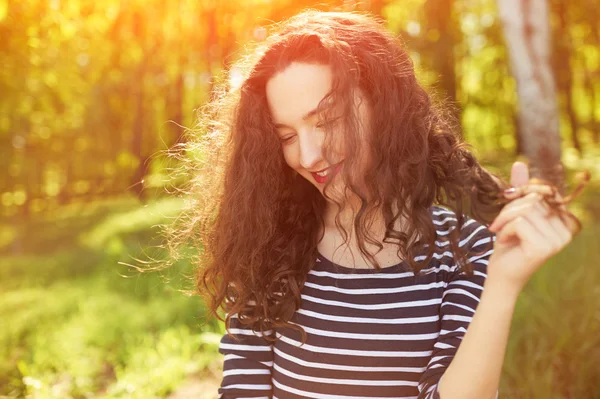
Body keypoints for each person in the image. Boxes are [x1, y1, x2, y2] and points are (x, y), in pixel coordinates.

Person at [179, 10, 582, 399]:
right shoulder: (267, 242)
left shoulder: (464, 249)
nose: (309, 155)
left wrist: (504, 283)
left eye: (327, 119)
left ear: (382, 105)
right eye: (286, 136)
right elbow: (243, 390)